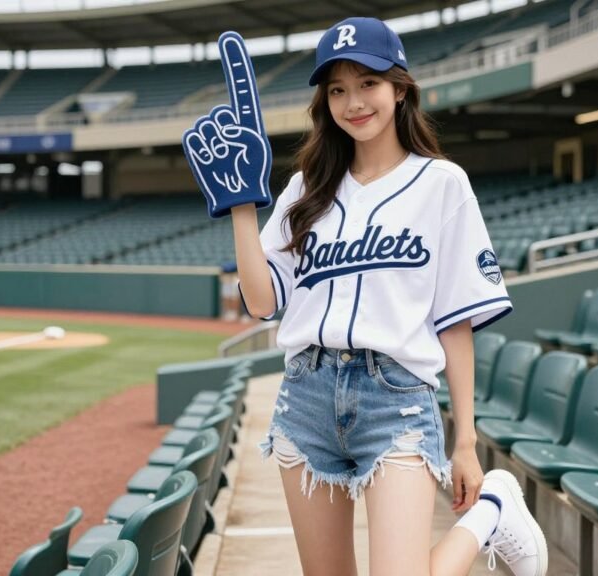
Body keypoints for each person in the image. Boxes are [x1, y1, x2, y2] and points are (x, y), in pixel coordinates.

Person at [228, 17, 547, 576]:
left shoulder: (442, 183)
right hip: (305, 394)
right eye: (337, 89)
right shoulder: (305, 187)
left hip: (395, 396)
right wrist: (239, 207)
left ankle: (491, 513)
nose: (353, 102)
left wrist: (465, 441)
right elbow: (261, 302)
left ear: (400, 88)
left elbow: (455, 321)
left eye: (368, 82)